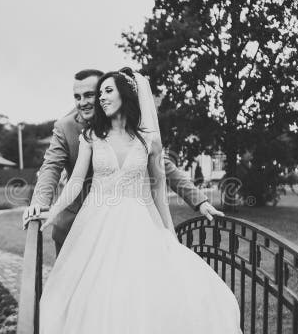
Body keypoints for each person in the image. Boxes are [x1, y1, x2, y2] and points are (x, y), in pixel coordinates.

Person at [35, 69, 258, 334]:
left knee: (147, 309)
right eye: (90, 95)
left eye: (104, 92)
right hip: (96, 228)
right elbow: (69, 181)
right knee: (99, 309)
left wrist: (172, 233)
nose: (94, 100)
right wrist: (48, 210)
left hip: (139, 226)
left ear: (123, 94)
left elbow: (158, 187)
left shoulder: (147, 139)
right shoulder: (85, 133)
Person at [23, 68, 223, 254]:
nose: (82, 102)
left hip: (127, 227)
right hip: (75, 225)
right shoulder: (66, 127)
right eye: (77, 97)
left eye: (90, 95)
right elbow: (51, 167)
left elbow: (164, 168)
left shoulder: (139, 134)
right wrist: (40, 204)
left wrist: (200, 201)